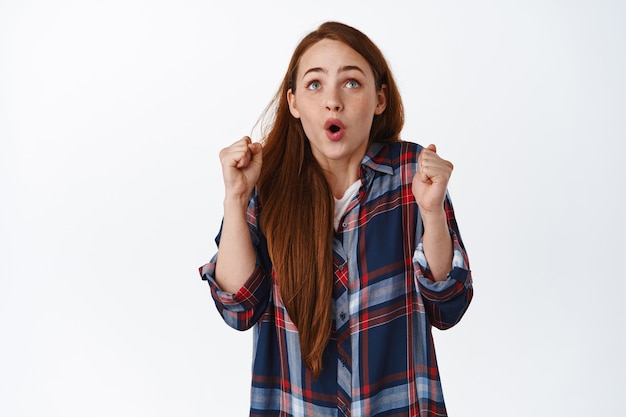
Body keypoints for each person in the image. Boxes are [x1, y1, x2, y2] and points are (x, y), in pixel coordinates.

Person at [199, 21, 473, 417]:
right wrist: (236, 197)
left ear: (379, 99)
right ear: (293, 103)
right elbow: (238, 309)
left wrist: (430, 211)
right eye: (315, 85)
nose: (333, 101)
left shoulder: (415, 176)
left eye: (351, 83)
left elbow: (449, 306)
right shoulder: (265, 184)